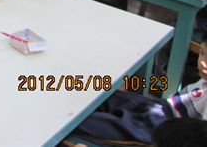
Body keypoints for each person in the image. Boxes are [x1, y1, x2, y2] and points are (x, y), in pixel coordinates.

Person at [75, 32, 207, 144]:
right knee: (99, 96)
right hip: (161, 106)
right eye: (202, 53)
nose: (202, 62)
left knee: (79, 121)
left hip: (160, 128)